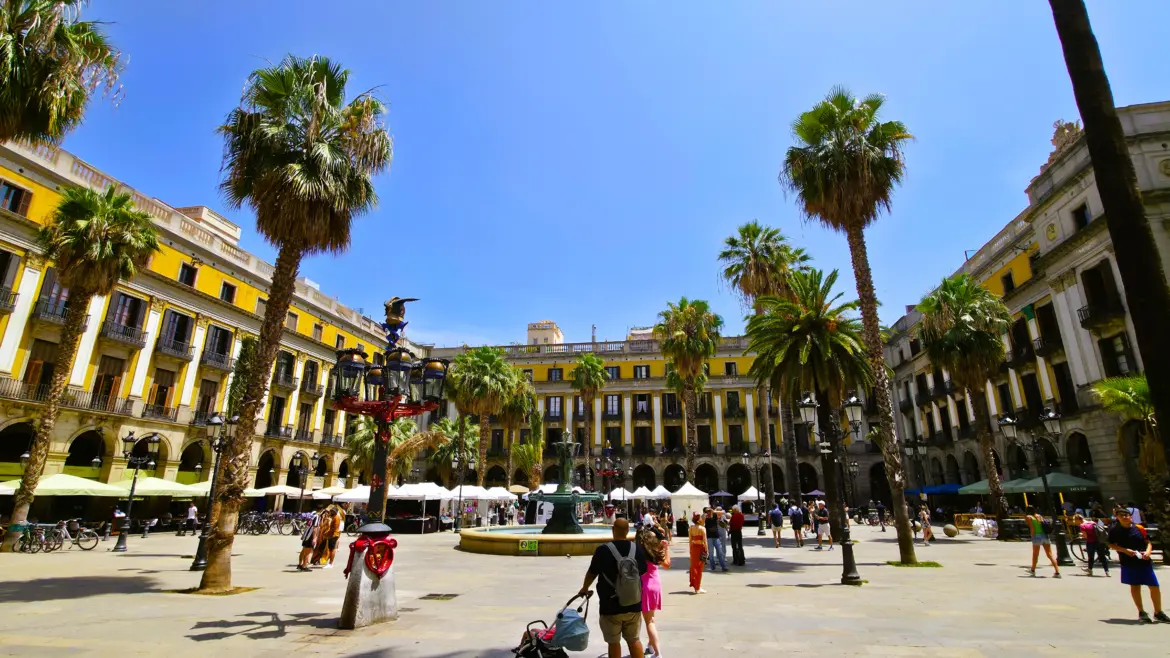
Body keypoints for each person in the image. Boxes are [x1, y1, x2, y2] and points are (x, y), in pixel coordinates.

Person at [579, 518, 648, 658]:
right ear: (628, 531)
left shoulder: (603, 550)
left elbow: (592, 573)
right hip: (633, 604)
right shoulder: (637, 550)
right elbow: (643, 571)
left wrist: (584, 588)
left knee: (613, 642)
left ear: (613, 530)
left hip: (610, 605)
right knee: (634, 639)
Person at [1108, 507, 1166, 623]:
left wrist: (1148, 552)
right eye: (1121, 516)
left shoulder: (1139, 528)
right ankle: (1141, 611)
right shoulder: (1114, 530)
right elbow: (1110, 544)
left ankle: (1158, 612)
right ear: (1117, 518)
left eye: (1126, 515)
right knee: (1135, 586)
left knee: (1154, 586)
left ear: (1130, 517)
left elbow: (1148, 542)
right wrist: (1125, 550)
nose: (1124, 518)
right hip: (1128, 562)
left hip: (1144, 562)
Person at [637, 521, 668, 658]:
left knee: (649, 621)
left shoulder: (638, 553)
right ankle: (650, 645)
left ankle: (657, 653)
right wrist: (666, 549)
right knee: (652, 618)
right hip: (656, 584)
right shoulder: (655, 552)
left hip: (645, 586)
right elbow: (667, 565)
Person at [1025, 507, 1060, 578]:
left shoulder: (1028, 517)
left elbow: (1032, 527)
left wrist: (1032, 536)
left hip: (1036, 536)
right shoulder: (1039, 516)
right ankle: (1057, 571)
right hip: (1044, 535)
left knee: (1035, 554)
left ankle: (1033, 570)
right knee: (1050, 554)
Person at [297, 507, 323, 572]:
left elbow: (307, 525)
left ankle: (300, 564)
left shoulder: (311, 515)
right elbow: (315, 527)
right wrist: (314, 538)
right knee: (308, 551)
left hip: (306, 534)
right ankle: (304, 566)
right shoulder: (316, 516)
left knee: (303, 550)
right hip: (310, 536)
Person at [688, 512, 707, 595]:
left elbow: (690, 540)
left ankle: (696, 586)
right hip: (701, 548)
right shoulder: (702, 529)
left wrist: (690, 550)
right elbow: (705, 541)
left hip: (694, 548)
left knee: (694, 567)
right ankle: (698, 587)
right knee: (700, 568)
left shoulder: (691, 528)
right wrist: (707, 550)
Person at [703, 508, 727, 572]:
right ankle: (712, 566)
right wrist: (705, 516)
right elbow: (702, 522)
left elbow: (723, 512)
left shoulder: (715, 516)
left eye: (710, 511)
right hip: (709, 537)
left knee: (720, 552)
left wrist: (713, 511)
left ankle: (723, 566)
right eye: (708, 511)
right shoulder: (705, 518)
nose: (709, 513)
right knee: (711, 553)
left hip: (716, 537)